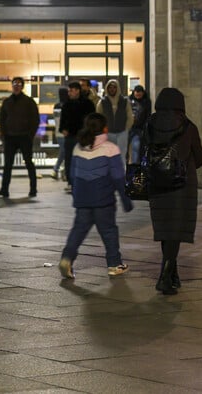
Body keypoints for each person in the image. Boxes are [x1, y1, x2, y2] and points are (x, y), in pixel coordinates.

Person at [58, 112, 133, 280]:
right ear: (105, 128)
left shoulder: (78, 148)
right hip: (103, 200)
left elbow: (73, 175)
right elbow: (118, 177)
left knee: (78, 231)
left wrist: (77, 196)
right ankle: (114, 264)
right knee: (109, 232)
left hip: (83, 200)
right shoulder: (110, 148)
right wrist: (125, 200)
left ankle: (67, 258)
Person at [145, 87, 202, 295]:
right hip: (181, 186)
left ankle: (173, 274)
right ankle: (164, 276)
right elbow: (199, 157)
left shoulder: (150, 124)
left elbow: (144, 150)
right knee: (175, 230)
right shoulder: (188, 127)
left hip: (157, 183)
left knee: (165, 229)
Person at [0, 77, 40, 198]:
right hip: (10, 137)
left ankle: (33, 189)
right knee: (7, 164)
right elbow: (2, 119)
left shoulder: (29, 102)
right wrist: (4, 134)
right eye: (14, 84)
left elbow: (35, 119)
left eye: (19, 84)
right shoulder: (7, 102)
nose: (16, 86)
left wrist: (30, 134)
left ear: (22, 86)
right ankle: (4, 189)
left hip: (25, 136)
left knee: (29, 163)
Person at [59, 81, 95, 191]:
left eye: (71, 91)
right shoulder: (66, 104)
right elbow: (63, 120)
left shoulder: (88, 104)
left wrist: (89, 132)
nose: (69, 93)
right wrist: (63, 129)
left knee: (85, 159)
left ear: (77, 91)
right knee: (69, 160)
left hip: (84, 137)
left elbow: (92, 120)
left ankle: (85, 181)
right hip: (70, 136)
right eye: (69, 91)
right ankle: (71, 182)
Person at [96, 79, 133, 153]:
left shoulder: (125, 101)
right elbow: (98, 117)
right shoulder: (102, 102)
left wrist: (126, 129)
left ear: (117, 88)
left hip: (122, 132)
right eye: (110, 87)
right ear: (107, 88)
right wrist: (102, 130)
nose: (112, 89)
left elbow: (130, 116)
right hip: (107, 133)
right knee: (108, 154)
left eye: (114, 87)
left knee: (121, 154)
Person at [49, 87, 69, 180]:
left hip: (58, 132)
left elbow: (56, 119)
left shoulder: (56, 106)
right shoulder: (68, 105)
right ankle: (58, 170)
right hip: (66, 132)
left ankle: (59, 170)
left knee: (64, 151)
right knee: (64, 152)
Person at [128, 85, 151, 163]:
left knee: (136, 148)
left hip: (139, 129)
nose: (138, 94)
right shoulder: (128, 100)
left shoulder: (146, 102)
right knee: (124, 149)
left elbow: (148, 115)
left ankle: (134, 167)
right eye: (136, 92)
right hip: (128, 128)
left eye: (140, 92)